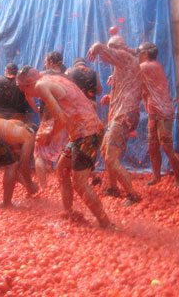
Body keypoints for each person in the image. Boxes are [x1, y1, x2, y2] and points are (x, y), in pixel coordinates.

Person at [17, 65, 112, 228]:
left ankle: (106, 223)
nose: (24, 94)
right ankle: (69, 212)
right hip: (82, 133)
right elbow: (63, 114)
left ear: (29, 83)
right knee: (61, 170)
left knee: (79, 183)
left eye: (22, 89)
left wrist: (48, 136)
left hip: (87, 134)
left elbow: (60, 117)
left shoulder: (40, 85)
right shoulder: (51, 79)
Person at [86, 35, 142, 205]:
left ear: (119, 47)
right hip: (121, 113)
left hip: (124, 115)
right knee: (105, 151)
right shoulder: (122, 66)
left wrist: (97, 45)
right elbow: (129, 89)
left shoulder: (125, 57)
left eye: (111, 48)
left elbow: (103, 49)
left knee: (111, 158)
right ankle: (112, 187)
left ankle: (132, 195)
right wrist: (111, 97)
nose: (106, 56)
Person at [138, 42, 179, 187]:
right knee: (153, 146)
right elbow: (142, 91)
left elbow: (129, 70)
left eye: (139, 52)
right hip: (153, 112)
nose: (137, 55)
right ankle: (156, 176)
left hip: (163, 112)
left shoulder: (147, 66)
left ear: (146, 53)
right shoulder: (147, 70)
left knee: (166, 146)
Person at [33, 52, 70, 189]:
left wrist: (36, 107)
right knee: (63, 152)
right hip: (64, 120)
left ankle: (43, 187)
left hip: (47, 118)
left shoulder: (42, 75)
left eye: (45, 61)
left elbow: (29, 92)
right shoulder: (68, 77)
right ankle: (63, 185)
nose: (44, 63)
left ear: (51, 62)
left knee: (38, 154)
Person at [65, 57, 103, 186]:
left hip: (76, 111)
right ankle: (91, 172)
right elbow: (99, 90)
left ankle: (78, 172)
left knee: (75, 139)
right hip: (91, 109)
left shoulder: (69, 72)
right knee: (90, 140)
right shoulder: (93, 72)